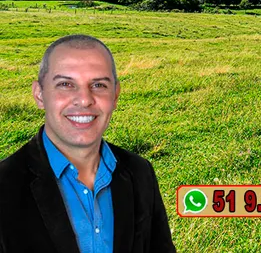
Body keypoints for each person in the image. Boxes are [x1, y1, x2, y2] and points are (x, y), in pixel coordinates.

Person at [0, 34, 176, 253]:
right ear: (39, 94)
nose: (84, 100)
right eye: (65, 84)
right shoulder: (5, 185)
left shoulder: (140, 172)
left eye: (99, 85)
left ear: (115, 95)